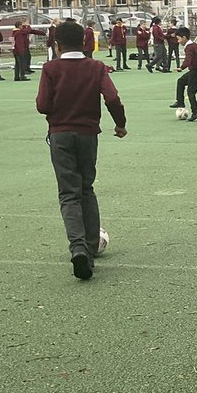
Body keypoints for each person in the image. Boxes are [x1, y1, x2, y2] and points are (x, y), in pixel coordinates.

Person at [36, 20, 127, 281]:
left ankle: (78, 248)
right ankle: (90, 246)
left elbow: (42, 105)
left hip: (60, 135)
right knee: (87, 188)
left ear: (58, 45)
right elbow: (112, 97)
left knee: (69, 193)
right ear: (85, 42)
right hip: (88, 135)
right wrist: (120, 124)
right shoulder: (96, 67)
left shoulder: (50, 68)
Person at [168, 26, 197, 121]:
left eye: (179, 39)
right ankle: (180, 102)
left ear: (184, 37)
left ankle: (195, 112)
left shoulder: (189, 47)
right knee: (181, 81)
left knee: (190, 92)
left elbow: (188, 59)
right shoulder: (193, 45)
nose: (178, 41)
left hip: (195, 70)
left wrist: (181, 67)